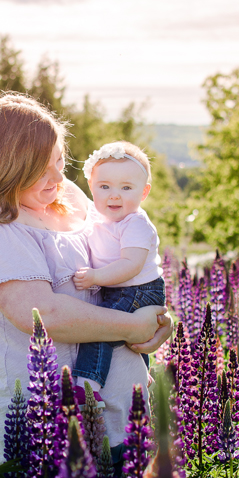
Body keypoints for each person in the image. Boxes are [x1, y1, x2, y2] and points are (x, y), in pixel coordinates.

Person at [0, 93, 172, 465]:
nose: (59, 176)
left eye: (60, 159)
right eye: (42, 167)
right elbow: (41, 314)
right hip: (43, 432)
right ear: (5, 167)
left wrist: (153, 314)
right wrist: (132, 326)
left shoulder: (68, 197)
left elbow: (122, 253)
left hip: (125, 416)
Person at [71, 141, 165, 393]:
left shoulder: (135, 224)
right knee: (123, 336)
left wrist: (95, 277)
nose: (114, 195)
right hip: (122, 288)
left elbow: (130, 265)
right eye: (104, 186)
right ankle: (141, 371)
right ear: (91, 187)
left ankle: (87, 387)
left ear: (143, 193)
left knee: (101, 330)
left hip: (138, 289)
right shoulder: (98, 214)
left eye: (126, 187)